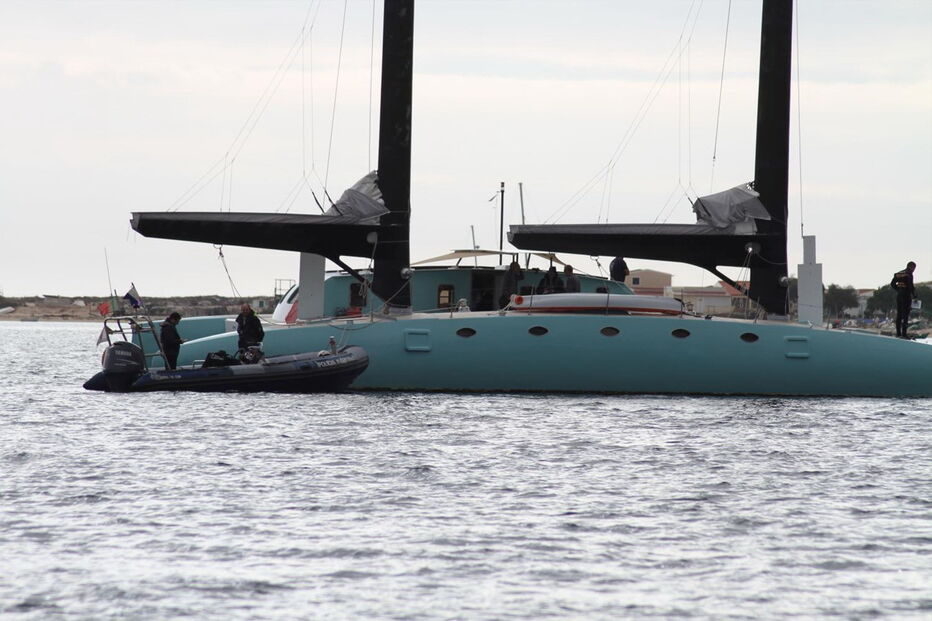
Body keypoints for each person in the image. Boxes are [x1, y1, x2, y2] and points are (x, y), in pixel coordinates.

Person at [891, 261, 917, 338]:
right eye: (914, 268)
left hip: (899, 296)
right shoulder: (909, 274)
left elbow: (892, 284)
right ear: (911, 267)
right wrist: (914, 295)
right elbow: (911, 286)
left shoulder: (898, 274)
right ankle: (904, 334)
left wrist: (898, 290)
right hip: (906, 296)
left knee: (899, 315)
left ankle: (898, 334)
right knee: (905, 315)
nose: (914, 270)